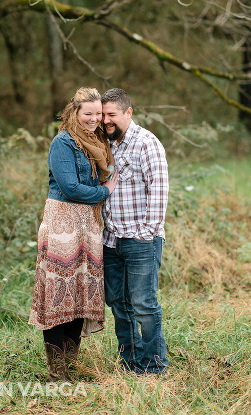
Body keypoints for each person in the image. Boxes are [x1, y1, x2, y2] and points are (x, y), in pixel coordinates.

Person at [29, 87, 119, 382]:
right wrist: (104, 191)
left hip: (88, 223)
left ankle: (70, 364)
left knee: (81, 291)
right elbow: (70, 188)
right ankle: (56, 371)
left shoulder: (97, 142)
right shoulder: (63, 142)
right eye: (87, 114)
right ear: (75, 112)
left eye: (97, 114)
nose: (93, 119)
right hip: (62, 222)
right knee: (59, 294)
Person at [101, 88, 170, 374]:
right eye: (103, 115)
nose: (106, 121)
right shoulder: (106, 144)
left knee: (143, 303)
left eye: (112, 115)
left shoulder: (146, 143)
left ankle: (154, 366)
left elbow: (159, 189)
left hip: (140, 239)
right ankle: (131, 363)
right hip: (111, 239)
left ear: (129, 113)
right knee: (119, 303)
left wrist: (146, 232)